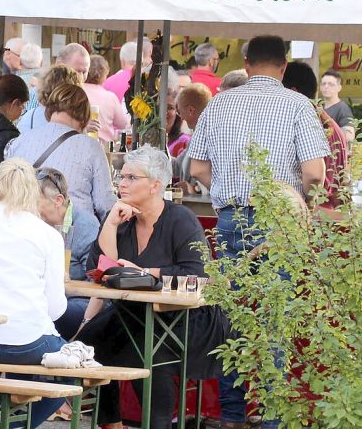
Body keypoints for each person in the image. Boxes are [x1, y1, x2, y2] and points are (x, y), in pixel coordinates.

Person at [188, 35, 329, 429]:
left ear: (246, 63)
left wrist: (229, 189)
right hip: (281, 224)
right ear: (284, 67)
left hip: (231, 219)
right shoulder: (299, 105)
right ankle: (270, 419)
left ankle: (232, 416)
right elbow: (315, 173)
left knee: (233, 319)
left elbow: (196, 168)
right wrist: (303, 203)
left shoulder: (218, 103)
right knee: (275, 319)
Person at [80, 145, 227, 429]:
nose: (122, 183)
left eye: (131, 178)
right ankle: (111, 424)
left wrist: (146, 272)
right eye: (120, 176)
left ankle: (156, 424)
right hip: (134, 313)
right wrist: (109, 224)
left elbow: (197, 273)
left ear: (155, 185)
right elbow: (102, 269)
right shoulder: (121, 219)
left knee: (145, 351)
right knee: (87, 344)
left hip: (185, 317)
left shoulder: (180, 220)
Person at [0, 158, 67, 428]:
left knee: (36, 346)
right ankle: (19, 424)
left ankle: (0, 400)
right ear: (33, 189)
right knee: (71, 371)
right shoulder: (47, 234)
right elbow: (55, 308)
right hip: (26, 343)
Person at [7, 83, 116, 221]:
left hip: (25, 227)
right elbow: (105, 204)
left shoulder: (20, 141)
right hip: (74, 233)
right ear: (84, 114)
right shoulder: (91, 147)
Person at [33, 167, 99, 340]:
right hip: (46, 296)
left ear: (58, 200)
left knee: (44, 312)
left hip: (78, 300)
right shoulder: (35, 225)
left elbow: (95, 280)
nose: (30, 206)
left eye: (35, 200)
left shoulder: (86, 226)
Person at [282, 61, 349, 209]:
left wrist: (310, 204)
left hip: (311, 217)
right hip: (331, 219)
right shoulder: (328, 122)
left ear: (293, 92)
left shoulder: (308, 123)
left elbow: (314, 176)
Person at [16, 44, 92, 133]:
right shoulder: (35, 97)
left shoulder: (81, 99)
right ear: (60, 65)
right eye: (77, 71)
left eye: (85, 72)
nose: (81, 77)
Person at [173, 84, 212, 195]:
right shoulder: (196, 136)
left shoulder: (212, 135)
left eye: (179, 112)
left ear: (190, 110)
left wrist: (196, 189)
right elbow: (177, 166)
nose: (180, 117)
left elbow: (222, 173)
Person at [83, 54, 130, 146]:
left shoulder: (77, 93)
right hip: (104, 146)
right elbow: (122, 124)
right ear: (104, 74)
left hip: (81, 143)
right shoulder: (110, 97)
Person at [320, 69, 355, 140]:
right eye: (323, 84)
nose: (326, 86)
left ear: (339, 88)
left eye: (331, 84)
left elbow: (350, 135)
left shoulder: (343, 109)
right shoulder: (319, 107)